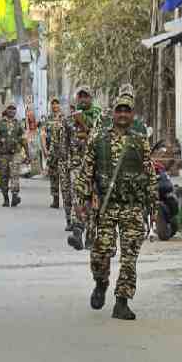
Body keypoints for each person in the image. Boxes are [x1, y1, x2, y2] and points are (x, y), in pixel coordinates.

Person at [74, 89, 156, 321]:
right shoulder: (99, 138)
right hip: (106, 208)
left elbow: (149, 173)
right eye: (118, 110)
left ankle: (122, 302)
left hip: (132, 207)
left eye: (126, 111)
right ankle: (101, 283)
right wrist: (82, 201)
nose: (122, 114)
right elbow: (86, 172)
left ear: (132, 114)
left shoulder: (140, 141)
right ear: (113, 113)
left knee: (129, 258)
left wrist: (152, 204)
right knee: (101, 253)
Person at [66, 86, 103, 247]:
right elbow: (64, 142)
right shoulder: (68, 120)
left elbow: (102, 139)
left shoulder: (99, 117)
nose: (82, 99)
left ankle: (90, 234)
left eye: (85, 96)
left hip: (95, 165)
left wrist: (84, 124)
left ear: (91, 98)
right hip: (76, 165)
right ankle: (77, 231)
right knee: (77, 196)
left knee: (94, 201)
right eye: (80, 96)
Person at [0, 102, 29, 207]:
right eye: (10, 109)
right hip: (3, 154)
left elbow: (23, 139)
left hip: (15, 153)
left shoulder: (18, 123)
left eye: (14, 109)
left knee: (15, 175)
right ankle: (5, 198)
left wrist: (27, 154)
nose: (12, 111)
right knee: (4, 176)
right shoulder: (0, 123)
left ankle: (15, 196)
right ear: (6, 110)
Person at [43, 98, 69, 215]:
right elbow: (43, 134)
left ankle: (66, 200)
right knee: (53, 175)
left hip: (62, 150)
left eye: (56, 104)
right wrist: (45, 149)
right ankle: (55, 199)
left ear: (59, 105)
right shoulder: (48, 119)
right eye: (53, 104)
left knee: (63, 176)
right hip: (52, 151)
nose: (55, 106)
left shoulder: (65, 118)